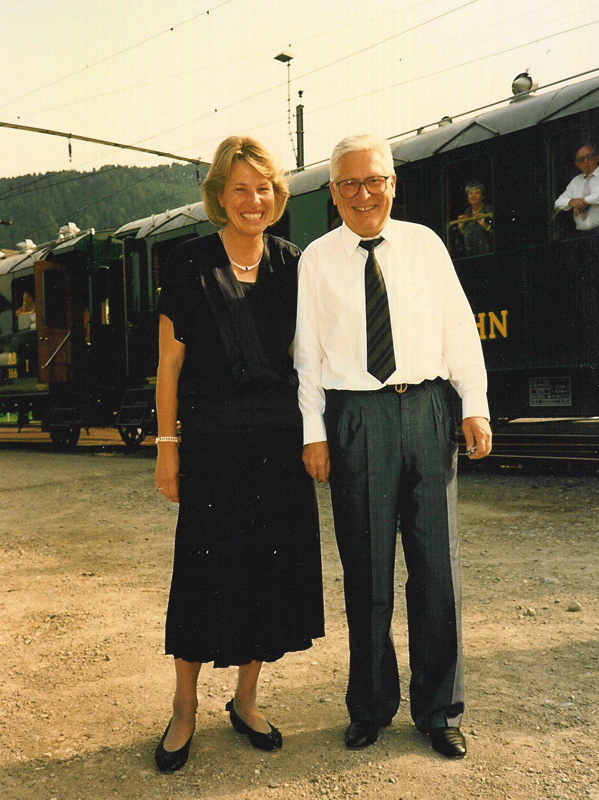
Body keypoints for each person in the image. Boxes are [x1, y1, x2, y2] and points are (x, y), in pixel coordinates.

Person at [294, 134, 492, 760]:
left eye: (373, 180)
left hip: (429, 409)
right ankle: (372, 705)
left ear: (392, 183)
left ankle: (440, 711)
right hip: (357, 416)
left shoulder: (426, 246)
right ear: (333, 193)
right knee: (368, 572)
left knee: (437, 569)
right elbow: (308, 357)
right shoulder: (317, 261)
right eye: (348, 184)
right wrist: (315, 432)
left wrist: (476, 404)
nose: (363, 193)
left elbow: (459, 326)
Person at [153, 135, 324, 773]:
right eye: (240, 190)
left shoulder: (293, 263)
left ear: (276, 196)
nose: (254, 200)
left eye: (264, 188)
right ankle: (184, 708)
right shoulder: (186, 263)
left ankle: (246, 698)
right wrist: (167, 449)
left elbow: (306, 362)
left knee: (267, 576)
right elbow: (169, 365)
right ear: (219, 198)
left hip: (278, 447)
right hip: (212, 448)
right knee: (202, 577)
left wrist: (314, 436)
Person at [554, 144, 599, 231]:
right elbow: (558, 203)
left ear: (597, 158)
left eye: (589, 157)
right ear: (577, 164)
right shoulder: (575, 181)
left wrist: (583, 201)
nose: (586, 161)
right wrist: (570, 202)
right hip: (580, 234)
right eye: (582, 159)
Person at [457, 181, 493, 255]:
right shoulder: (467, 212)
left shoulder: (489, 210)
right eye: (471, 193)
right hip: (471, 256)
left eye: (477, 193)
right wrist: (461, 228)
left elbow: (498, 235)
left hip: (487, 255)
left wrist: (484, 225)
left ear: (482, 196)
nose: (473, 196)